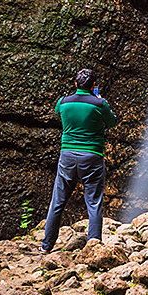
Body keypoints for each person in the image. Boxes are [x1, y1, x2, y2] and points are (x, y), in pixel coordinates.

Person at [39, 68, 117, 253]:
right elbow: (112, 122)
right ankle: (93, 247)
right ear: (93, 86)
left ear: (76, 85)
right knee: (94, 202)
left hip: (67, 156)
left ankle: (46, 245)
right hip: (91, 156)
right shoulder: (99, 104)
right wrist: (99, 101)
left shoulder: (63, 102)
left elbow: (59, 114)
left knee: (57, 201)